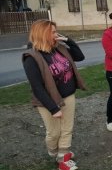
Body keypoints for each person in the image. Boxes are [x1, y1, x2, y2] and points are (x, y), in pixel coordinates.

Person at [22, 19, 85, 170]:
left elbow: (80, 56)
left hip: (68, 95)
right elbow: (37, 87)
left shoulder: (59, 48)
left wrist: (68, 40)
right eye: (53, 32)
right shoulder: (31, 57)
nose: (56, 35)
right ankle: (53, 152)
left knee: (67, 128)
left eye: (56, 31)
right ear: (43, 34)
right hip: (47, 100)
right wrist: (54, 109)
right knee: (54, 132)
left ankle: (63, 157)